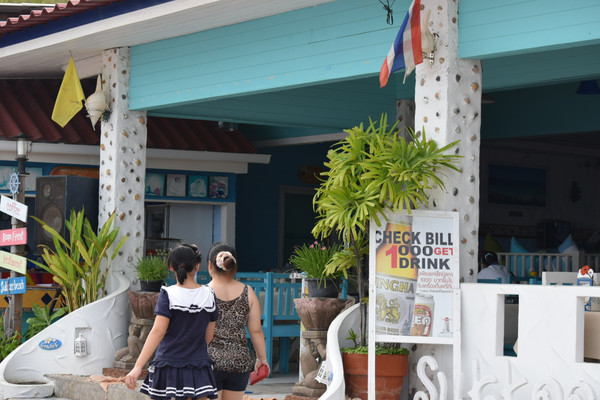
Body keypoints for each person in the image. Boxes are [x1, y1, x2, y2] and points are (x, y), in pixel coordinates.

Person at [125, 243, 218, 400]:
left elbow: (157, 332)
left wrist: (138, 366)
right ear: (197, 266)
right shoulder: (209, 295)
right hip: (198, 366)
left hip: (168, 365)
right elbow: (209, 336)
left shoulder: (168, 294)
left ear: (170, 267)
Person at [206, 242, 270, 400]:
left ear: (210, 265)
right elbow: (256, 330)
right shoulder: (248, 292)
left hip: (210, 362)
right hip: (239, 363)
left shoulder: (203, 293)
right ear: (234, 266)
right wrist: (262, 359)